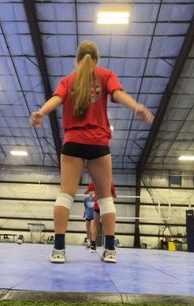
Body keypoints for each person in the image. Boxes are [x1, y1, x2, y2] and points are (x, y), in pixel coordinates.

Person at [30, 40, 154, 263]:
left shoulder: (68, 80)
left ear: (77, 60)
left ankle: (59, 249)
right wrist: (137, 106)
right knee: (105, 198)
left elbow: (57, 99)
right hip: (98, 144)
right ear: (97, 59)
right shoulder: (106, 75)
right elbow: (118, 94)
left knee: (65, 195)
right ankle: (110, 250)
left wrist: (41, 111)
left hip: (73, 143)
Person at [85, 181, 117, 252]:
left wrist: (92, 191)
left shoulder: (93, 181)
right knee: (108, 226)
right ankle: (109, 247)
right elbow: (115, 195)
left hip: (97, 204)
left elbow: (86, 192)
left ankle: (93, 246)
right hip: (106, 206)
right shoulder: (109, 181)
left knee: (95, 225)